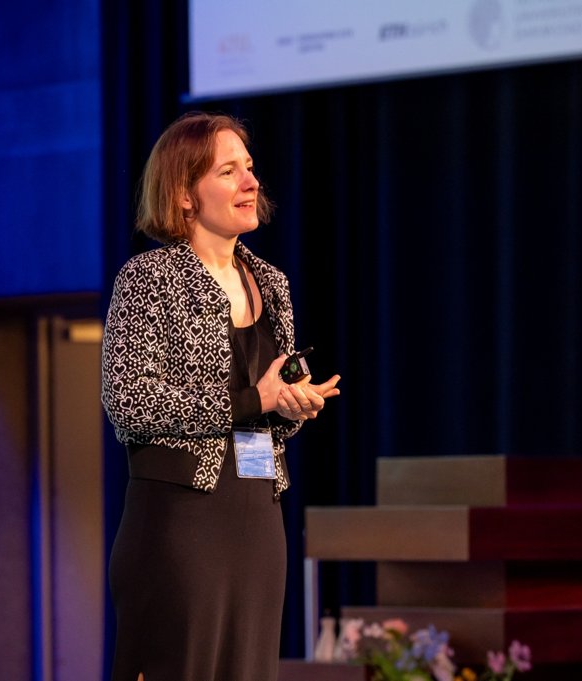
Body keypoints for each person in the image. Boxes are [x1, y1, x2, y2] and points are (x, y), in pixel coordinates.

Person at [101, 111, 341, 681]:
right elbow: (129, 401)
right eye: (228, 171)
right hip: (181, 524)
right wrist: (254, 401)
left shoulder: (273, 283)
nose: (250, 182)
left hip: (258, 517)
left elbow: (268, 407)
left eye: (249, 168)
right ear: (185, 194)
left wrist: (292, 405)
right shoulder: (149, 279)